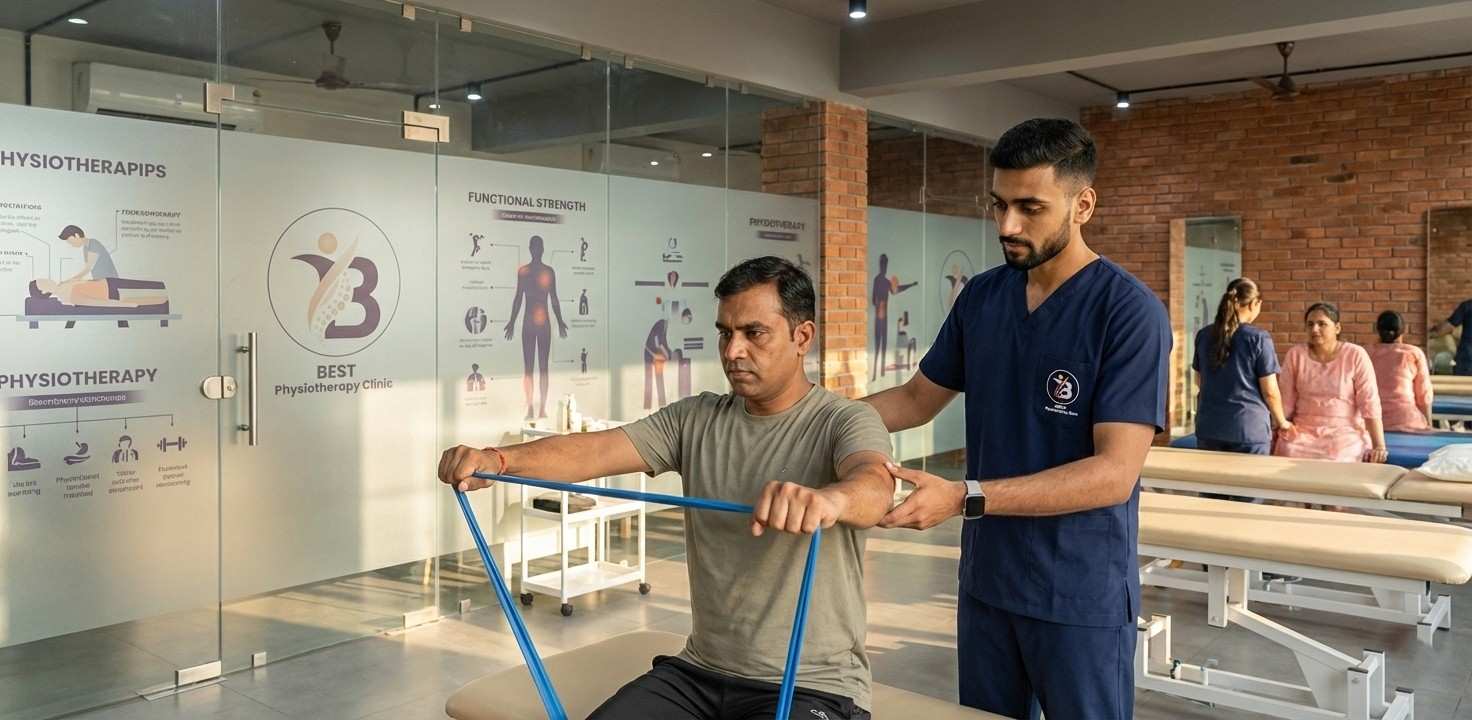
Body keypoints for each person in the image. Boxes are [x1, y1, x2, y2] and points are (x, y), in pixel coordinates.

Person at [440, 256, 894, 720]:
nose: (732, 351)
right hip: (699, 673)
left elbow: (874, 484)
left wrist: (829, 500)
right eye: (725, 333)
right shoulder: (695, 418)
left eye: (753, 333)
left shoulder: (845, 420)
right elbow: (593, 452)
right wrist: (497, 460)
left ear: (802, 337)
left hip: (813, 687)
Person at [862, 118, 1169, 720]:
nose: (1007, 226)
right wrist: (806, 415)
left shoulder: (1128, 313)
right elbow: (915, 400)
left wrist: (964, 497)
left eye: (1030, 208)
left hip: (1078, 592)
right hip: (988, 586)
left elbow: (1114, 474)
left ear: (1083, 205)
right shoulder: (982, 297)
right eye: (999, 205)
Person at [1274, 302, 1388, 463]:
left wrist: (1379, 445)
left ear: (1337, 328)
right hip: (1303, 431)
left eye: (1322, 324)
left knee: (1338, 456)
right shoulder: (1296, 354)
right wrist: (1277, 428)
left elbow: (1370, 403)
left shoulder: (1355, 354)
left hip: (1345, 433)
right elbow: (1285, 401)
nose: (1315, 329)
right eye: (1310, 324)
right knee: (1289, 449)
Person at [1193, 278, 1291, 458]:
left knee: (1211, 485)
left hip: (1209, 427)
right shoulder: (1259, 338)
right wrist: (1282, 422)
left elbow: (1199, 380)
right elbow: (1270, 391)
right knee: (1250, 485)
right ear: (1255, 303)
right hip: (1248, 429)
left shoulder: (1204, 335)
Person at [505, 235, 569, 419]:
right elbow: (518, 297)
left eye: (538, 247)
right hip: (529, 323)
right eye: (535, 247)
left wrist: (560, 320)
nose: (537, 250)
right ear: (532, 249)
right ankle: (531, 407)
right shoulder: (524, 271)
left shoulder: (548, 272)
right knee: (529, 368)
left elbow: (554, 298)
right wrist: (511, 321)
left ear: (541, 249)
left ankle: (541, 408)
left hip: (542, 324)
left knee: (542, 367)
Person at [1366, 310, 1433, 432]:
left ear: (1378, 330)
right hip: (1406, 420)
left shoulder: (1365, 353)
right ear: (1403, 330)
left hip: (1371, 422)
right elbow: (1423, 395)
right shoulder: (1413, 353)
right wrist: (1428, 424)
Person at [869, 254, 917, 380]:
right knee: (878, 343)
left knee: (884, 343)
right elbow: (874, 299)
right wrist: (879, 304)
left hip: (885, 317)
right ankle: (874, 373)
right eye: (883, 264)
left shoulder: (886, 282)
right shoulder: (877, 280)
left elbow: (896, 290)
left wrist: (911, 285)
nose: (884, 267)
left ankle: (881, 373)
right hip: (879, 316)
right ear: (880, 265)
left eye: (885, 265)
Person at [1430, 297, 1472, 376]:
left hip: (1467, 359)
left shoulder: (1468, 306)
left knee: (1462, 385)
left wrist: (1429, 334)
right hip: (1467, 358)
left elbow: (1445, 328)